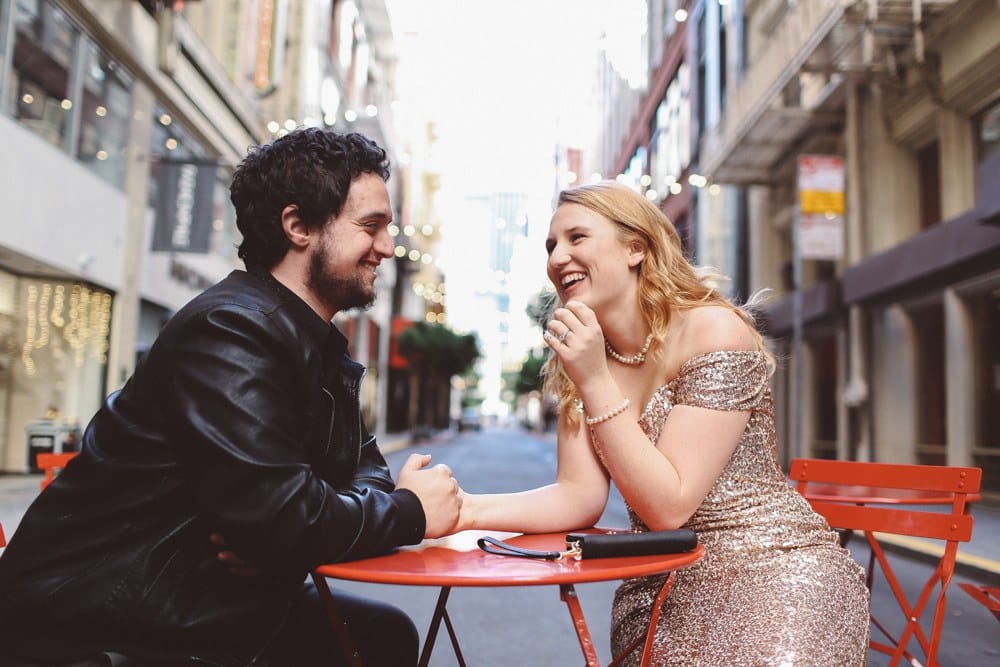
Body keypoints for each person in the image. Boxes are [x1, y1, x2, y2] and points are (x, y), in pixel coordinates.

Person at [0, 128, 462, 667]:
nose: (385, 247)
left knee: (380, 635)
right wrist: (410, 512)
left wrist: (289, 531)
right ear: (298, 226)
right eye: (370, 226)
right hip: (100, 623)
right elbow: (287, 519)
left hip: (205, 600)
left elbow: (362, 475)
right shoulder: (230, 330)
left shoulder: (317, 346)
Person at [456, 181, 870, 665]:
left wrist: (594, 379)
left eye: (576, 238)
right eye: (551, 246)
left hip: (777, 571)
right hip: (660, 583)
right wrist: (464, 509)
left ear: (635, 248)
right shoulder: (581, 357)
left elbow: (668, 506)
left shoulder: (712, 329)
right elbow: (578, 496)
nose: (557, 257)